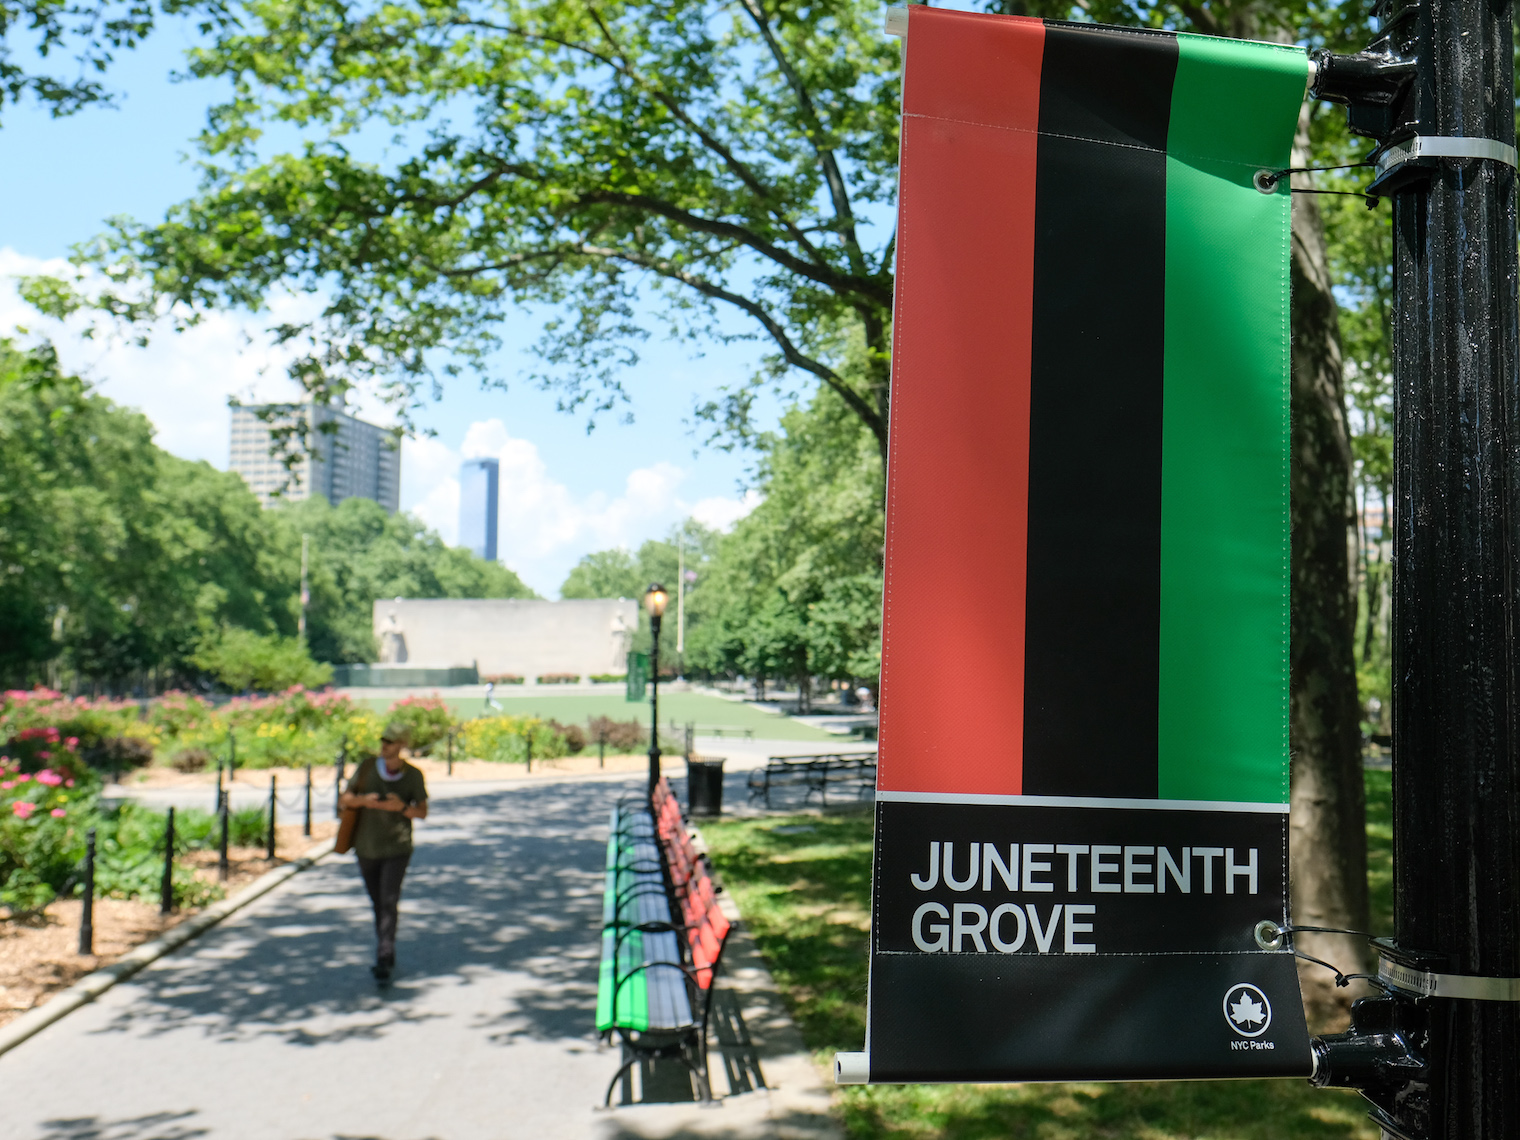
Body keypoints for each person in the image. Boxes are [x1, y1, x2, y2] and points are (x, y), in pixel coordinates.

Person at [339, 721, 428, 982]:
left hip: (397, 847)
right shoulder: (367, 768)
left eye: (390, 742)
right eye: (383, 741)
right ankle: (385, 943)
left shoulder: (413, 775)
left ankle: (384, 954)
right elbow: (345, 799)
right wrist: (363, 801)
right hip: (366, 846)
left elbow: (422, 812)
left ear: (402, 745)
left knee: (389, 899)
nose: (384, 746)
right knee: (378, 901)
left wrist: (401, 808)